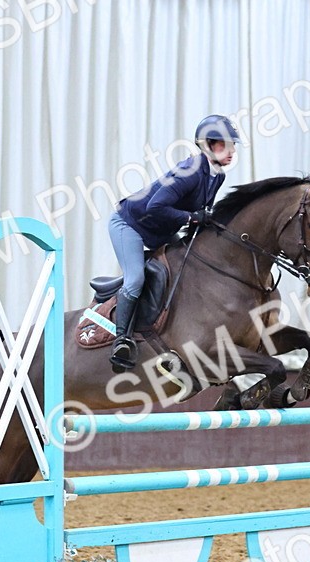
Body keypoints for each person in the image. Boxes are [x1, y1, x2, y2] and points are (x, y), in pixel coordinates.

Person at [107, 114, 241, 372]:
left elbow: (201, 215)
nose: (232, 151)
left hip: (161, 230)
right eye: (226, 144)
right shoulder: (189, 172)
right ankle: (121, 340)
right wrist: (192, 217)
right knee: (135, 279)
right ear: (208, 145)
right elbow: (156, 205)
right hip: (130, 225)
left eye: (233, 145)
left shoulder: (217, 175)